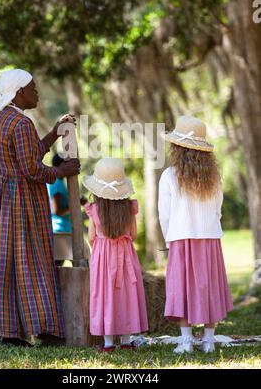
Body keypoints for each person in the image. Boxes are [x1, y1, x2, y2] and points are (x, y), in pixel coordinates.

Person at [0, 69, 80, 346]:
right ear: (19, 93)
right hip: (20, 199)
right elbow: (31, 169)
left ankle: (7, 330)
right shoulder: (20, 123)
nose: (37, 92)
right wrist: (63, 171)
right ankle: (43, 329)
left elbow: (27, 155)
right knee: (33, 260)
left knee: (4, 261)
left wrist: (53, 134)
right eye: (33, 88)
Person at [158, 115, 233, 354]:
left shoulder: (169, 176)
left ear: (177, 148)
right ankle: (209, 340)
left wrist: (168, 239)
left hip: (180, 237)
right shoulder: (213, 179)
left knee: (182, 287)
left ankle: (187, 340)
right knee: (209, 284)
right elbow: (217, 209)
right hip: (209, 237)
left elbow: (164, 214)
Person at [82, 158, 148, 352]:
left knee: (105, 295)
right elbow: (133, 234)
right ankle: (126, 341)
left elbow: (92, 237)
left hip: (103, 257)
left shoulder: (94, 210)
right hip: (125, 255)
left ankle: (109, 343)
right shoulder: (129, 208)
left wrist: (103, 244)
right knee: (126, 294)